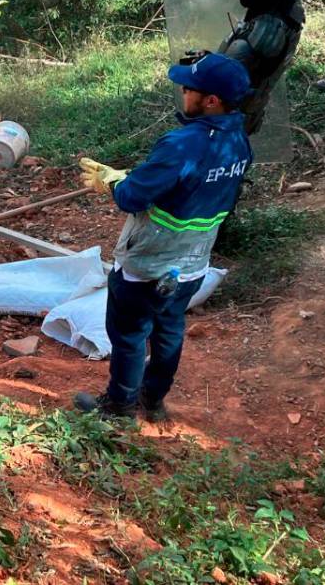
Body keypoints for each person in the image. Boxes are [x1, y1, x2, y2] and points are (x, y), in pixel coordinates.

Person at [73, 53, 253, 421]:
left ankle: (120, 408)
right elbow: (194, 183)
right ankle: (153, 402)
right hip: (193, 263)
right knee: (169, 328)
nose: (183, 92)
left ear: (211, 100)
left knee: (129, 334)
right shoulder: (238, 141)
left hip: (150, 259)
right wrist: (139, 175)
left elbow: (130, 198)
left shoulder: (183, 144)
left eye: (189, 87)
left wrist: (114, 181)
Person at [218, 0, 304, 135]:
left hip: (227, 124)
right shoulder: (285, 14)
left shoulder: (262, 35)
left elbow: (220, 80)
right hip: (241, 117)